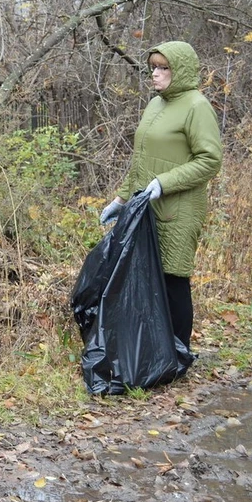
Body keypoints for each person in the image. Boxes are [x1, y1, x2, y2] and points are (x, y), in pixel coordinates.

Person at [99, 41, 222, 351]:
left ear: (179, 71)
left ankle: (178, 353)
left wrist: (165, 182)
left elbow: (210, 160)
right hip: (146, 209)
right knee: (146, 278)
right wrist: (122, 199)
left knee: (173, 281)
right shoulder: (155, 104)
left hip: (178, 211)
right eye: (153, 67)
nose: (155, 73)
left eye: (163, 68)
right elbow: (140, 159)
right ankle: (154, 351)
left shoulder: (196, 106)